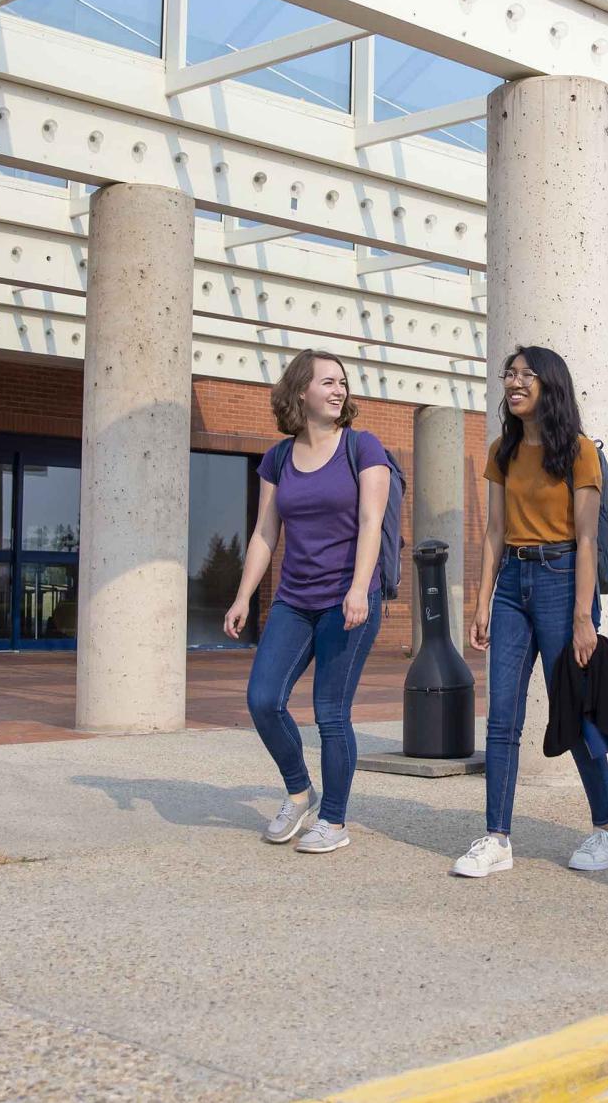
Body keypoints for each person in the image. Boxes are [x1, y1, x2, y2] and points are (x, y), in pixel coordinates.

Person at [451, 346, 608, 880]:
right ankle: (497, 838)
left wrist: (582, 617)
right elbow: (494, 532)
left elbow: (588, 536)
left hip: (562, 580)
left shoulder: (577, 451)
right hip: (512, 586)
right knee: (502, 715)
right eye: (510, 373)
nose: (515, 381)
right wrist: (482, 601)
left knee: (574, 711)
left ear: (551, 385)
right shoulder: (502, 451)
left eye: (528, 374)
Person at [224, 350, 393, 855]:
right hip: (294, 600)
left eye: (343, 382)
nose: (339, 390)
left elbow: (371, 522)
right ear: (301, 391)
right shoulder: (278, 458)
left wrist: (360, 586)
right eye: (328, 382)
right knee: (262, 699)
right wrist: (242, 597)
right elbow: (263, 533)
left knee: (331, 713)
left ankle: (335, 821)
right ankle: (300, 791)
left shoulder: (363, 448)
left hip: (349, 600)